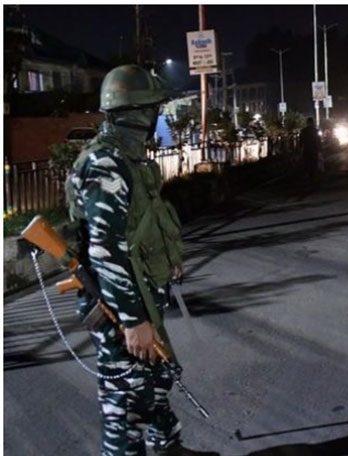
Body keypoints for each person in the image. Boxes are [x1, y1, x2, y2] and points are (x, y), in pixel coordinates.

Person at [65, 64, 215, 456]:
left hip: (139, 294)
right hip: (118, 305)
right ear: (138, 114)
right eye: (153, 110)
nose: (156, 117)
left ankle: (166, 447)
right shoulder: (106, 164)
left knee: (154, 379)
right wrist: (133, 321)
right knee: (127, 399)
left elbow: (140, 226)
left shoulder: (127, 160)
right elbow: (104, 251)